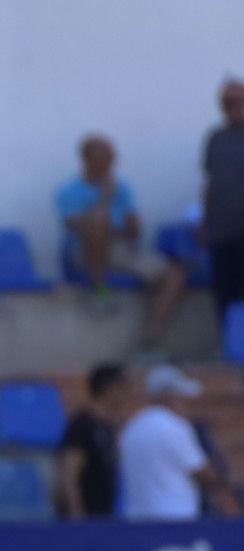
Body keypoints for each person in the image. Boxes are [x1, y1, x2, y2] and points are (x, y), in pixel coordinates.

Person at [56, 135, 185, 350]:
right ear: (87, 159)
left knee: (174, 276)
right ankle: (99, 290)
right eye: (104, 158)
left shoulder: (122, 188)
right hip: (83, 252)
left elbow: (133, 233)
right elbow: (80, 227)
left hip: (120, 251)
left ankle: (149, 343)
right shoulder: (68, 191)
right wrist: (104, 200)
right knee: (98, 218)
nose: (109, 164)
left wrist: (127, 224)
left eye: (111, 158)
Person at [119, 366, 236, 520]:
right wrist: (226, 477)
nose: (186, 403)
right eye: (182, 397)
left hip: (137, 520)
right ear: (169, 396)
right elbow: (202, 474)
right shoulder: (174, 426)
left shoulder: (131, 428)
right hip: (175, 520)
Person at [56, 362, 129, 519]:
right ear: (109, 389)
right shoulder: (82, 427)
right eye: (123, 388)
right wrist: (78, 519)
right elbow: (69, 476)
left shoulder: (107, 427)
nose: (127, 395)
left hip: (104, 517)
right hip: (87, 520)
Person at [202, 78, 244, 322]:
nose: (234, 106)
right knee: (224, 291)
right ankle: (229, 346)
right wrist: (204, 221)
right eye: (228, 102)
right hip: (222, 230)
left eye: (239, 101)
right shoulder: (215, 138)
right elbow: (211, 181)